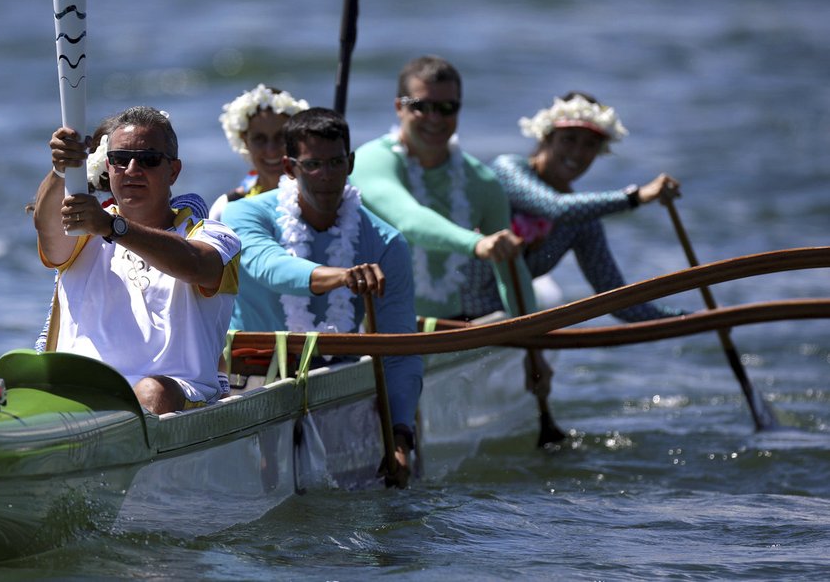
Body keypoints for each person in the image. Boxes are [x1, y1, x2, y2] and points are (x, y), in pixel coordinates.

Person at [222, 107, 422, 488]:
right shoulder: (241, 216)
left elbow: (399, 348)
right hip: (252, 379)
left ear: (351, 163)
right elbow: (269, 266)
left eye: (336, 163)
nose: (327, 176)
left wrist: (400, 438)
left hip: (334, 381)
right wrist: (342, 278)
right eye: (313, 165)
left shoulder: (385, 243)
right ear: (289, 166)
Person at [351, 55, 552, 398]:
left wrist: (535, 352)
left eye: (447, 107)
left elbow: (511, 272)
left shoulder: (482, 182)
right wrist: (475, 244)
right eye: (422, 106)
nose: (435, 118)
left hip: (450, 330)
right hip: (374, 331)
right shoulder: (371, 161)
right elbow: (407, 218)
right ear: (399, 106)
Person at [33, 106, 241, 414]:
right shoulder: (83, 232)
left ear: (173, 170)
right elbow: (46, 226)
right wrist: (61, 169)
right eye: (120, 159)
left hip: (176, 396)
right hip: (81, 394)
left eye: (148, 160)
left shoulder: (214, 235)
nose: (132, 169)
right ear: (108, 165)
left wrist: (112, 227)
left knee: (151, 391)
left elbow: (195, 265)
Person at [460, 91, 685, 321]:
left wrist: (692, 318)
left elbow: (619, 304)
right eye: (569, 139)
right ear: (547, 138)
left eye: (590, 145)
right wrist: (636, 197)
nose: (577, 153)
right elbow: (557, 208)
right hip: (444, 310)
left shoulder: (583, 221)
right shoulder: (507, 169)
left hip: (497, 324)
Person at [210, 83, 309, 220]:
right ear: (244, 140)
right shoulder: (225, 208)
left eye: (281, 137)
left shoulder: (320, 199)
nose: (272, 150)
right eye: (259, 139)